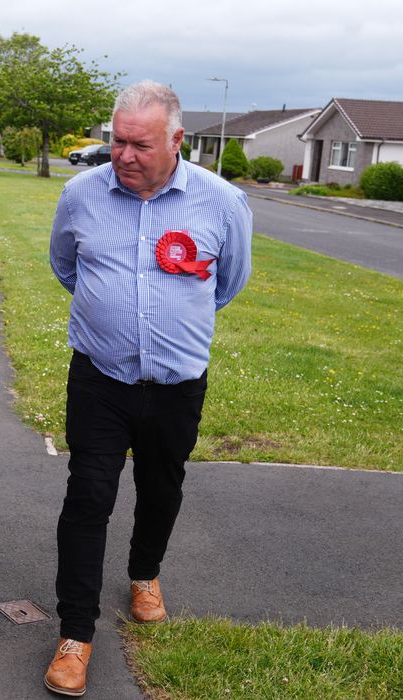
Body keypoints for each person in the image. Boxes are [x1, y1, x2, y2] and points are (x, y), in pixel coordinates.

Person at [43, 80, 252, 697]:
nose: (124, 155)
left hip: (177, 384)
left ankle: (144, 574)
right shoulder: (81, 194)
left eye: (140, 144)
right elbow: (65, 266)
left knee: (162, 486)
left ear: (177, 140)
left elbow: (227, 283)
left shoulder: (222, 203)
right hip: (100, 379)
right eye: (117, 142)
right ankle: (75, 634)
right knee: (88, 496)